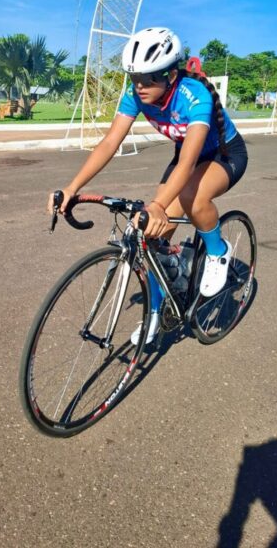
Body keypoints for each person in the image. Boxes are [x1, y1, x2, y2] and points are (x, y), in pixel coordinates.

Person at [48, 27, 248, 345]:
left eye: (148, 79)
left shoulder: (193, 96)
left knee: (191, 197)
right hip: (187, 156)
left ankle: (217, 251)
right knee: (150, 238)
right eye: (134, 78)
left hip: (224, 154)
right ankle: (156, 311)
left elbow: (187, 164)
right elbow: (109, 143)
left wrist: (157, 205)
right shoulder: (136, 96)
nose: (140, 86)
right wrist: (72, 187)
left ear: (171, 75)